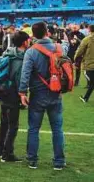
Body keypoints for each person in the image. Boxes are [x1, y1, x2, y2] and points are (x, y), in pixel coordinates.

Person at [19, 22, 67, 170]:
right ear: (47, 32)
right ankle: (59, 161)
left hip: (37, 94)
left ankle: (32, 160)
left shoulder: (31, 51)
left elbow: (25, 73)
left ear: (33, 34)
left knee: (33, 128)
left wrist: (22, 92)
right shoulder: (60, 48)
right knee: (57, 129)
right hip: (55, 92)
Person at [0, 31, 30, 162]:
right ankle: (7, 154)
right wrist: (23, 94)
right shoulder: (21, 59)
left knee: (4, 122)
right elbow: (19, 79)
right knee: (13, 125)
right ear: (24, 42)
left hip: (2, 90)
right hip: (12, 93)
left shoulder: (8, 52)